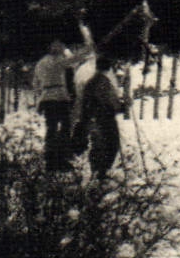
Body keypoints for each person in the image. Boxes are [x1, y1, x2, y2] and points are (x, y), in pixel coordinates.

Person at [71, 53, 127, 178]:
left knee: (97, 145)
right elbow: (112, 101)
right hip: (104, 118)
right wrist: (122, 106)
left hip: (90, 118)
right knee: (111, 144)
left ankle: (95, 170)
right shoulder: (104, 82)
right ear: (107, 69)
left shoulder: (90, 82)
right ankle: (101, 172)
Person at [31, 40, 80, 170]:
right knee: (65, 127)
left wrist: (40, 96)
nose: (63, 49)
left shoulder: (40, 63)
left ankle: (50, 157)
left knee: (51, 128)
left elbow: (35, 83)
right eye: (61, 47)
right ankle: (60, 157)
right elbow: (74, 60)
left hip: (46, 98)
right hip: (59, 97)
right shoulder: (56, 61)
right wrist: (89, 50)